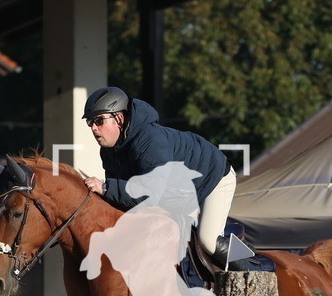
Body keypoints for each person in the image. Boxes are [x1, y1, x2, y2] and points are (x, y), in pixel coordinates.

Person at [79, 86, 252, 270]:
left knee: (208, 239)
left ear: (119, 118)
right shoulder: (108, 150)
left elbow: (150, 193)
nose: (94, 128)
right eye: (90, 123)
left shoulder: (149, 140)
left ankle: (253, 271)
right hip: (176, 191)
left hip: (213, 177)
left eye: (99, 121)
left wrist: (106, 188)